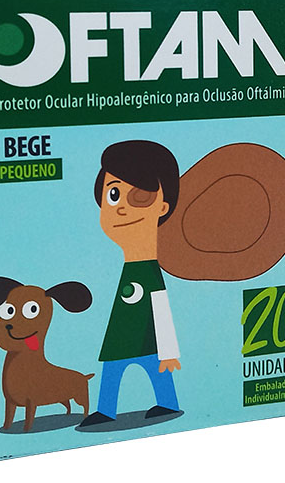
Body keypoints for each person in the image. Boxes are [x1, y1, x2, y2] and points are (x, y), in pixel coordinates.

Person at [80, 140, 181, 426]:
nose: (121, 208)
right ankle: (105, 410)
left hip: (148, 339)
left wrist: (169, 351)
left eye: (139, 196)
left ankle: (168, 403)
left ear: (163, 207)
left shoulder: (148, 272)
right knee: (112, 367)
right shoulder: (130, 269)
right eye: (113, 195)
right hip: (121, 335)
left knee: (156, 367)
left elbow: (160, 305)